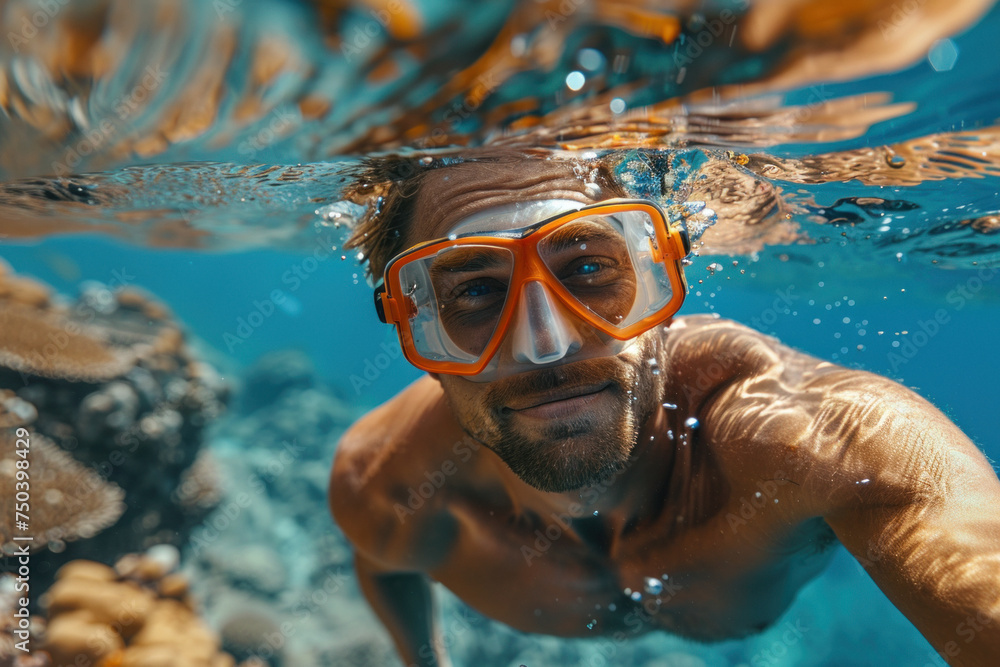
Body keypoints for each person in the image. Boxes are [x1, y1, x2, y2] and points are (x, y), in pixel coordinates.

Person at [329, 149, 1000, 667]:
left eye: (589, 268)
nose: (546, 345)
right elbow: (383, 563)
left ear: (659, 278)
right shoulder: (387, 485)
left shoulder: (822, 441)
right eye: (474, 292)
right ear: (412, 323)